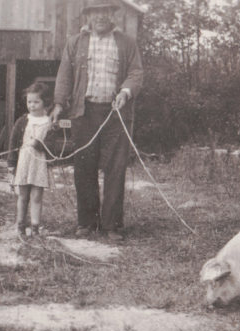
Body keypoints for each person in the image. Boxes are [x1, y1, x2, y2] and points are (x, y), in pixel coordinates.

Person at [51, 0, 143, 241]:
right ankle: (86, 223)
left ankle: (112, 225)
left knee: (115, 168)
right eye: (96, 12)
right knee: (84, 167)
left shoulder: (126, 43)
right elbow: (64, 76)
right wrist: (59, 104)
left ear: (112, 14)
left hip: (115, 115)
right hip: (84, 114)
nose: (100, 17)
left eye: (105, 11)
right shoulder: (75, 43)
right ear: (88, 16)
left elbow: (136, 73)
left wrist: (125, 92)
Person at [7, 82, 54, 238]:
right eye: (29, 102)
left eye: (36, 102)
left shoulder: (49, 123)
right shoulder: (22, 121)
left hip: (39, 164)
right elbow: (13, 144)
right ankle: (20, 226)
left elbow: (52, 145)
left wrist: (39, 144)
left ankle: (35, 227)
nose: (32, 105)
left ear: (45, 102)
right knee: (23, 195)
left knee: (36, 196)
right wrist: (11, 165)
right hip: (24, 162)